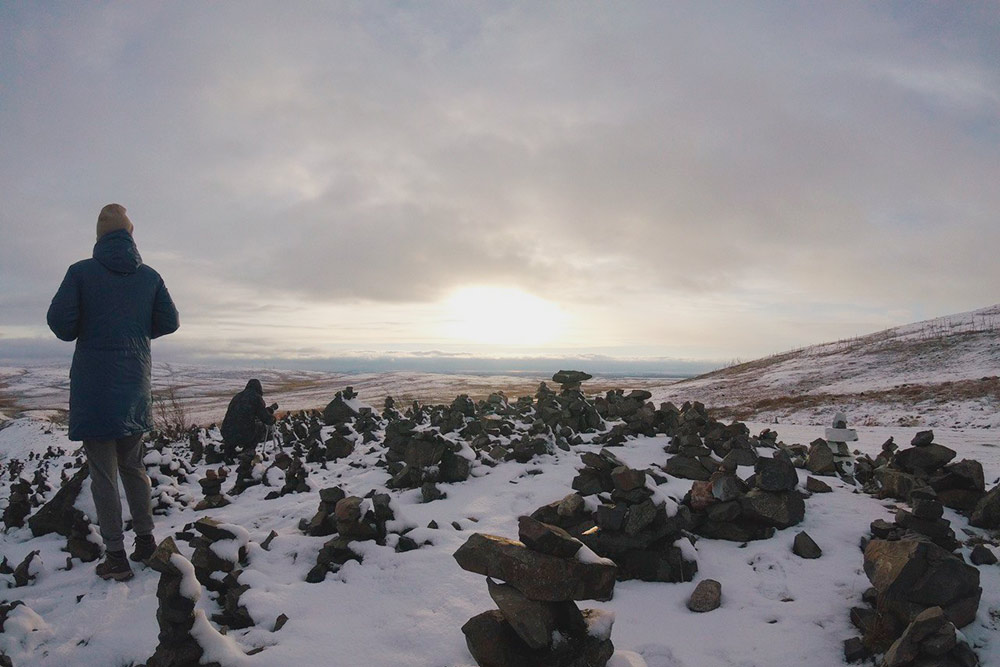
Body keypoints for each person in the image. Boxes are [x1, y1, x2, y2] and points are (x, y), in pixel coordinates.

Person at [47, 203, 179, 581]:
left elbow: (61, 325)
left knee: (103, 476)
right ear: (130, 234)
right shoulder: (150, 277)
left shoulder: (81, 273)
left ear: (99, 236)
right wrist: (133, 331)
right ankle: (146, 542)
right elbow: (169, 322)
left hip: (94, 389)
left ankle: (117, 558)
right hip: (134, 385)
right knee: (134, 468)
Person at [221, 379, 276, 462]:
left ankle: (229, 452)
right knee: (260, 427)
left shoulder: (237, 396)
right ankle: (248, 451)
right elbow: (265, 418)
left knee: (235, 427)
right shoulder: (256, 398)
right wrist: (272, 419)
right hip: (243, 433)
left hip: (226, 432)